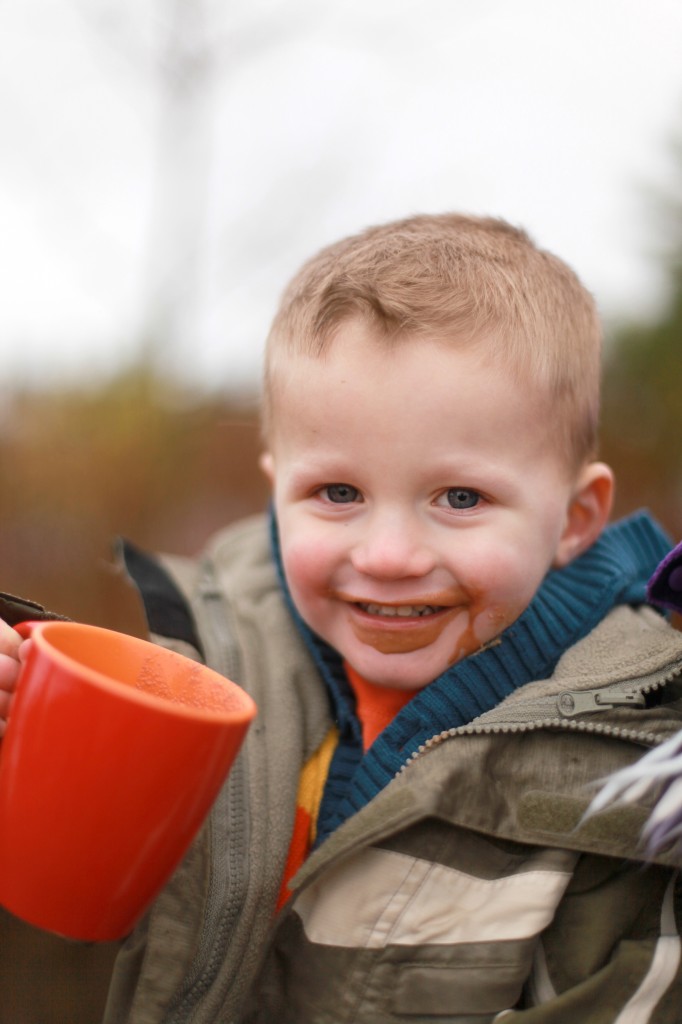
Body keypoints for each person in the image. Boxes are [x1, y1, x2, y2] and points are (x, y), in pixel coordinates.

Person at [1, 212, 682, 1023]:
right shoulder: (206, 668)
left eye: (460, 498)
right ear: (276, 490)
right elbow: (71, 948)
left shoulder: (643, 774)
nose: (389, 554)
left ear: (575, 518)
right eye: (338, 494)